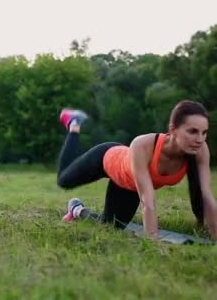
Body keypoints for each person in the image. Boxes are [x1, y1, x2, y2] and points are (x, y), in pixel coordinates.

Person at [57, 100, 217, 240]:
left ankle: (77, 209)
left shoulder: (199, 150)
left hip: (127, 183)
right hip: (106, 158)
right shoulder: (143, 144)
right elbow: (148, 200)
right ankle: (74, 125)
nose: (199, 139)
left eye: (204, 132)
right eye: (192, 131)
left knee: (111, 225)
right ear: (173, 129)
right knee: (63, 180)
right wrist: (153, 241)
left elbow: (206, 195)